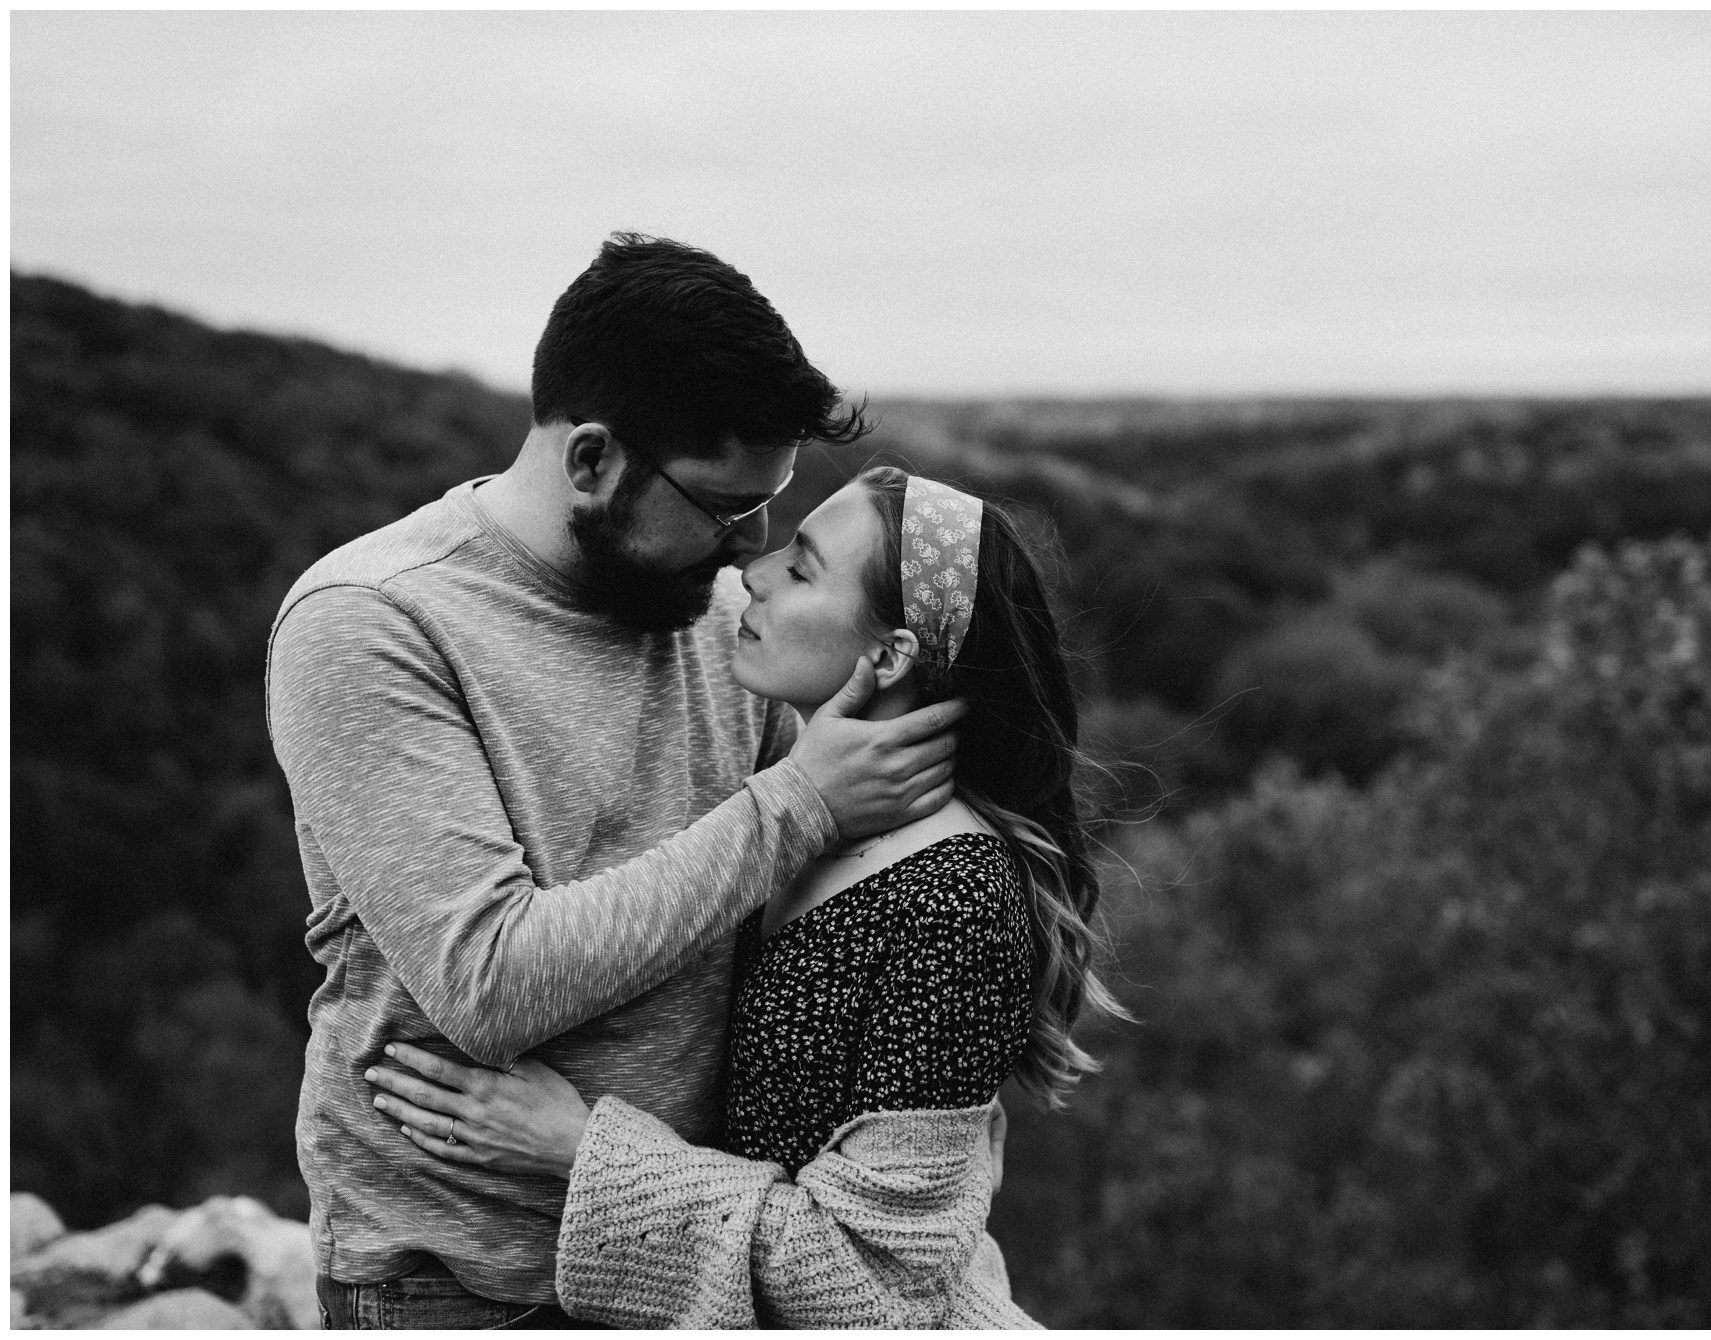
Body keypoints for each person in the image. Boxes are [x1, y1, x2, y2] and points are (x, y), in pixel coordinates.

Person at [266, 236, 967, 1328]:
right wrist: (801, 801)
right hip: (460, 1280)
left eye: (770, 505)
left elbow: (815, 893)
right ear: (591, 459)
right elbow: (488, 982)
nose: (750, 546)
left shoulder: (720, 621)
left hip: (681, 1250)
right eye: (725, 505)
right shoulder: (372, 622)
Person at [363, 467, 1127, 1327]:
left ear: (889, 655)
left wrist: (580, 1152)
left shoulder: (952, 898)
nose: (752, 574)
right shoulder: (809, 811)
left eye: (801, 569)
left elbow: (875, 1288)